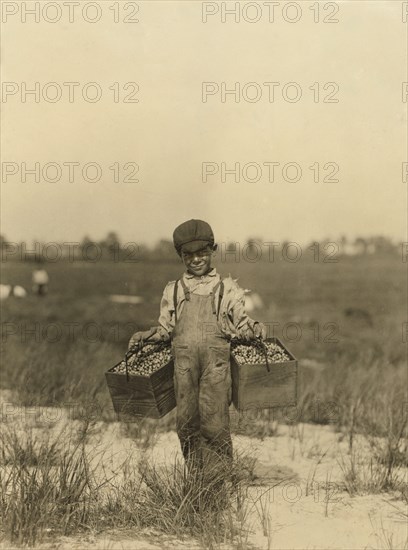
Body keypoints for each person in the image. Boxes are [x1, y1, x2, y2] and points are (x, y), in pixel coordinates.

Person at [129, 219, 266, 476]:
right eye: (188, 255)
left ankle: (218, 480)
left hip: (215, 367)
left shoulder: (228, 289)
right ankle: (196, 477)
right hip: (184, 368)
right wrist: (147, 335)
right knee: (186, 422)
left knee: (214, 423)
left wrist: (255, 328)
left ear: (213, 250)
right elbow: (165, 330)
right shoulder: (174, 290)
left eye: (202, 253)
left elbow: (242, 324)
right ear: (180, 256)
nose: (196, 260)